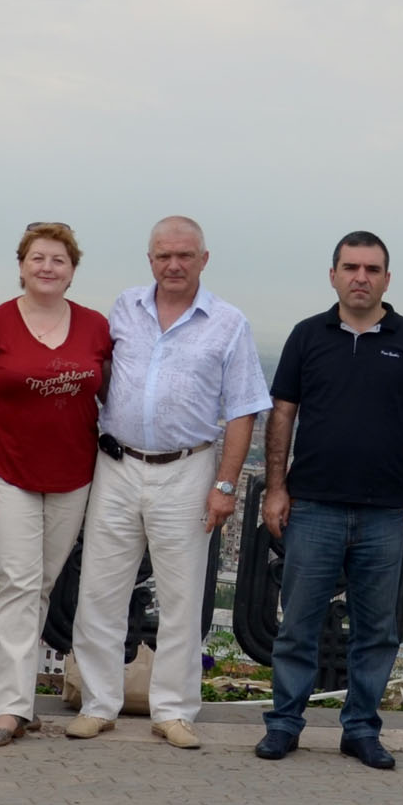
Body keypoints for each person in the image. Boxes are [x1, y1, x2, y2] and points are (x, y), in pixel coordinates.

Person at [65, 216, 271, 749]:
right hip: (117, 464)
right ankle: (97, 703)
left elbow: (244, 409)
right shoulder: (124, 308)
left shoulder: (229, 323)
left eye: (184, 255)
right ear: (150, 260)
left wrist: (225, 485)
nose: (174, 265)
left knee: (181, 597)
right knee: (99, 590)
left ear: (204, 259)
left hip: (188, 468)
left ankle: (174, 711)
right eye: (164, 256)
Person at [255, 231, 403, 767]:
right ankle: (284, 724)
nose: (361, 277)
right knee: (297, 624)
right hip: (313, 504)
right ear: (333, 275)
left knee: (377, 631)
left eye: (372, 269)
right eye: (351, 267)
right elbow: (282, 414)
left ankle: (360, 729)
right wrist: (276, 487)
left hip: (385, 511)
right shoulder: (307, 335)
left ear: (387, 278)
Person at [0, 222, 112, 747]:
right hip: (7, 470)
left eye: (58, 259)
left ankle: (20, 702)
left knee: (40, 584)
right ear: (21, 266)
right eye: (37, 258)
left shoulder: (95, 327)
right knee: (17, 579)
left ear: (73, 270)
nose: (47, 267)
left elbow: (115, 398)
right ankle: (10, 708)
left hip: (73, 475)